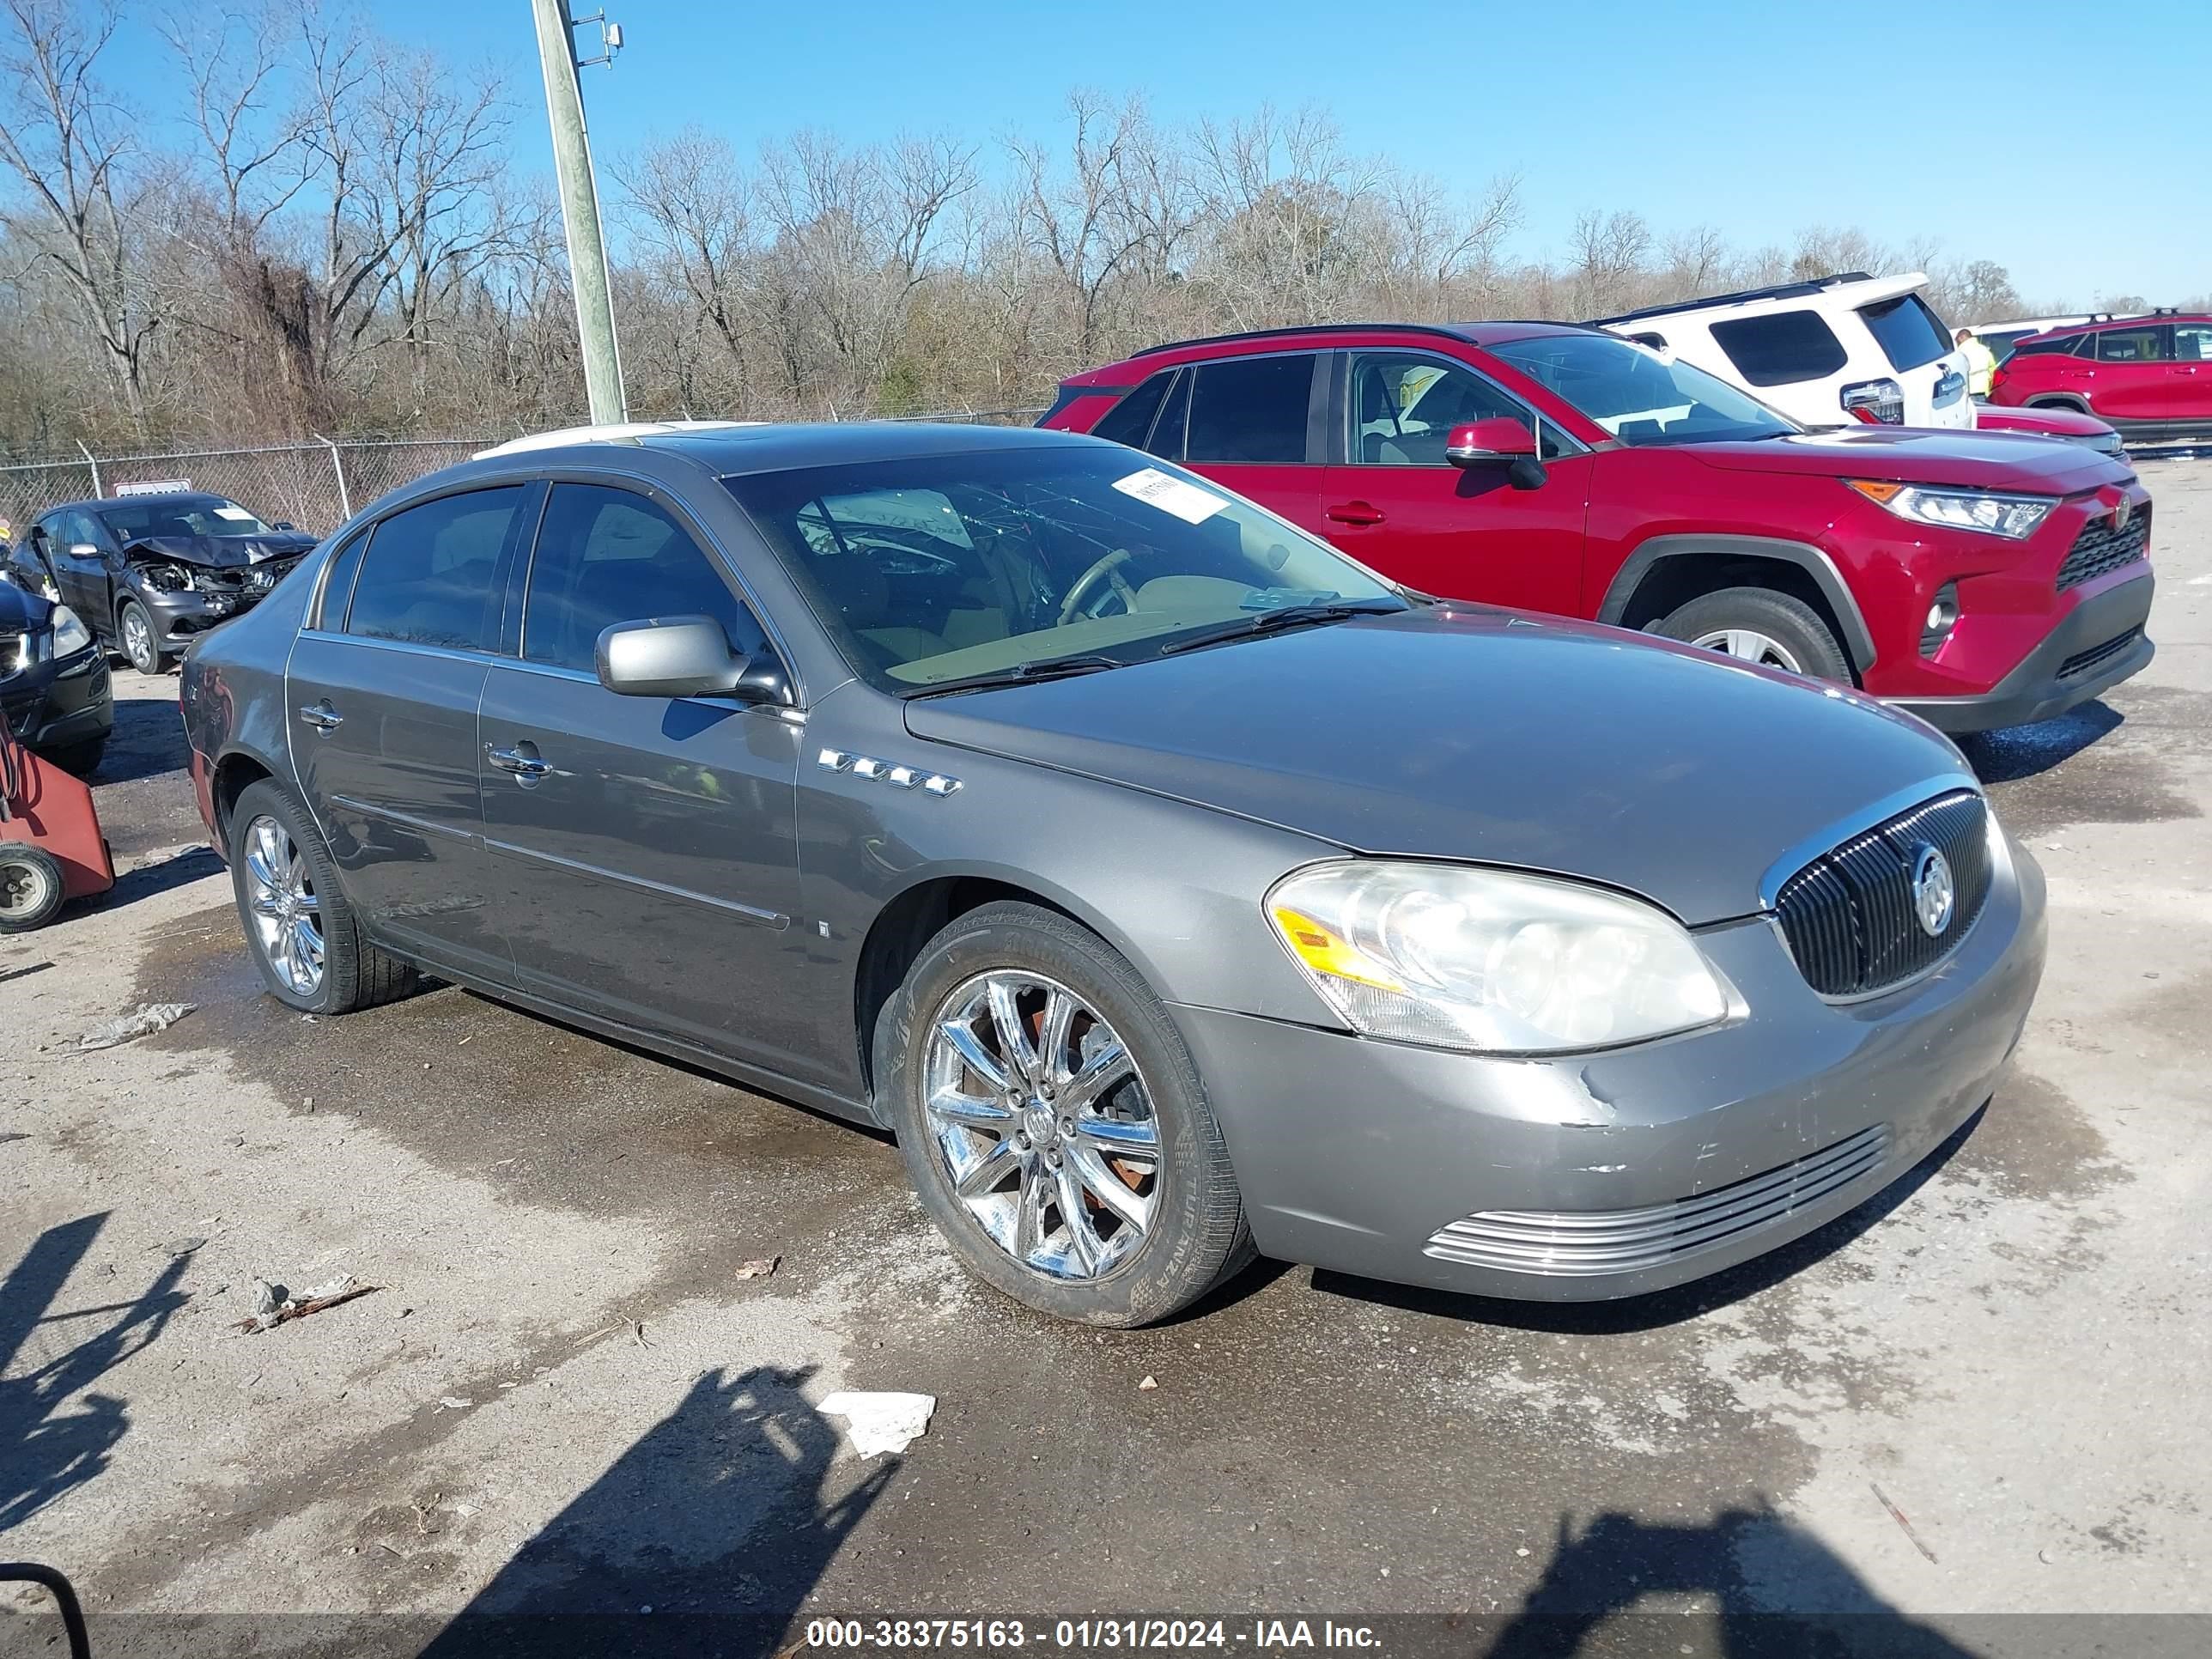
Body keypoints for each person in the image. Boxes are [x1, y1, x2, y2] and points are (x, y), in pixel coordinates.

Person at [1956, 327, 1997, 400]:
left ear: (1961, 338)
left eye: (1957, 340)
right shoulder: (1984, 349)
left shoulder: (1959, 352)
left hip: (1967, 392)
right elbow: (1992, 369)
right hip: (1983, 390)